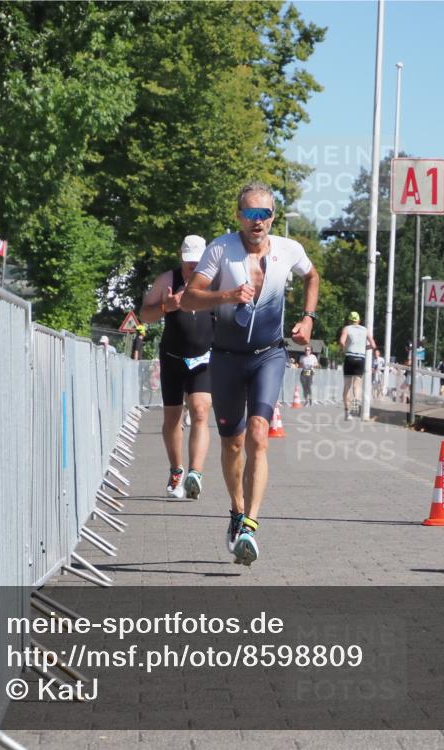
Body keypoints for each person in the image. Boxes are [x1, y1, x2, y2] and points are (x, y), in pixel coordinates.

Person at [182, 182, 319, 566]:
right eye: (250, 214)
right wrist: (225, 296)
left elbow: (312, 277)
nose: (258, 221)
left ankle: (250, 527)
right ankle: (236, 511)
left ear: (273, 216)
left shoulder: (289, 250)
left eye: (265, 214)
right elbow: (189, 298)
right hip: (226, 357)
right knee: (233, 443)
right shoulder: (220, 250)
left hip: (268, 356)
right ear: (238, 216)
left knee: (259, 433)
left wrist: (307, 318)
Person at [140, 235, 214, 500]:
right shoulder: (167, 281)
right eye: (188, 263)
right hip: (172, 357)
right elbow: (144, 315)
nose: (192, 268)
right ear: (181, 257)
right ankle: (176, 470)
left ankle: (195, 473)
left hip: (203, 358)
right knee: (172, 418)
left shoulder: (214, 281)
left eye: (197, 263)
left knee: (200, 411)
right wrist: (165, 307)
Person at [339, 311, 376, 420]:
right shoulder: (365, 330)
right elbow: (373, 345)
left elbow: (342, 342)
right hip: (360, 358)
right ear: (359, 320)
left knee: (347, 386)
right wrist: (363, 349)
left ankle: (347, 412)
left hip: (350, 357)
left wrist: (345, 348)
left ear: (349, 320)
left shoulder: (347, 328)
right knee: (357, 384)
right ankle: (356, 399)